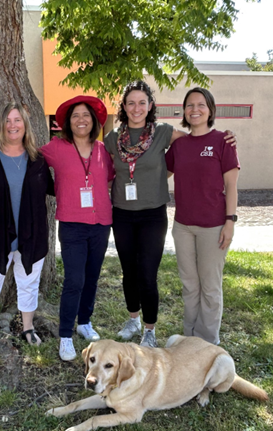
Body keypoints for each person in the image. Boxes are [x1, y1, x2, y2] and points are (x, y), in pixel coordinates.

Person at [104, 81, 236, 348]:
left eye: (142, 102)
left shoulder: (163, 133)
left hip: (154, 216)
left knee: (148, 274)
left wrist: (224, 138)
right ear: (124, 107)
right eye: (131, 102)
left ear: (151, 106)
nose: (136, 108)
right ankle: (134, 320)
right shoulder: (112, 138)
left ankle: (151, 331)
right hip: (123, 213)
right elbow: (105, 169)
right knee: (129, 272)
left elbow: (195, 144)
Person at [0, 102, 54, 361]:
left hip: (31, 236)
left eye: (18, 120)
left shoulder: (38, 160)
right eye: (8, 120)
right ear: (1, 125)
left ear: (25, 125)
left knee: (29, 284)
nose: (13, 125)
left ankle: (28, 328)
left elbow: (54, 189)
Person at [41, 96, 115, 361]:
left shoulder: (103, 150)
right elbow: (29, 157)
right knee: (75, 279)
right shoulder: (56, 147)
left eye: (86, 115)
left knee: (92, 276)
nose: (81, 120)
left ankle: (84, 321)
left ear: (93, 121)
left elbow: (111, 178)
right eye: (75, 116)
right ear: (67, 123)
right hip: (72, 224)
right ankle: (65, 335)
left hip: (101, 222)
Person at [165, 87, 239, 345]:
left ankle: (207, 343)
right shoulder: (179, 145)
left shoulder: (223, 141)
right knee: (189, 285)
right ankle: (189, 339)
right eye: (189, 105)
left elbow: (231, 186)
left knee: (209, 286)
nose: (194, 109)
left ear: (210, 110)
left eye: (201, 105)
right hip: (182, 226)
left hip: (213, 226)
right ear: (184, 111)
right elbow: (161, 173)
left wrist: (230, 221)